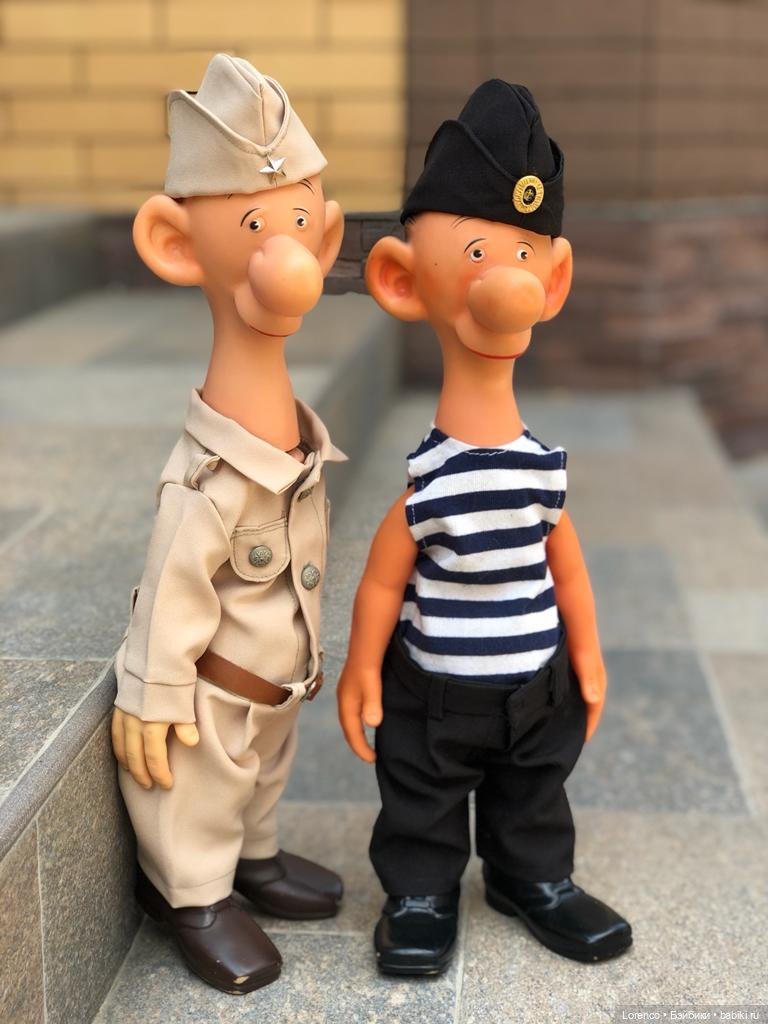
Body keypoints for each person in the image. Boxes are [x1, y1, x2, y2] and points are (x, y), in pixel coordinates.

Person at [337, 79, 633, 976]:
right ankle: (420, 892)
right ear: (400, 280)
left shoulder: (544, 467)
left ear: (553, 280)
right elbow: (383, 578)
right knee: (421, 799)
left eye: (522, 257)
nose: (505, 283)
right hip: (434, 692)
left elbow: (567, 568)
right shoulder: (428, 479)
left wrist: (586, 654)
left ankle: (530, 875)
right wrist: (361, 667)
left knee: (533, 793)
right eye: (476, 253)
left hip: (536, 684)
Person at [111, 54, 346, 995]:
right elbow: (172, 583)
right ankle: (196, 894)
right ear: (176, 245)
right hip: (213, 691)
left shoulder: (296, 440)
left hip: (277, 682)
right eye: (256, 227)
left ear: (327, 240)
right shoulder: (205, 479)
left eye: (299, 226)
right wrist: (152, 688)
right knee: (203, 789)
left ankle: (255, 856)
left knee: (262, 775)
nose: (285, 256)